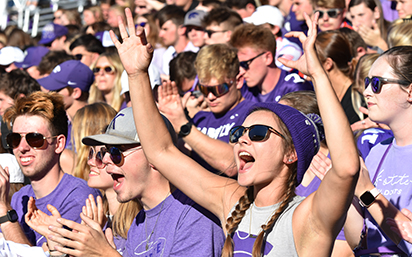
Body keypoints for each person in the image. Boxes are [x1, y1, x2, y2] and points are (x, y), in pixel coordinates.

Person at [112, 8, 359, 256]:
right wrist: (137, 74)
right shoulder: (232, 202)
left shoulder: (307, 216)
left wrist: (317, 75)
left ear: (291, 153)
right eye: (240, 131)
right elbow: (160, 152)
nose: (242, 138)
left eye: (258, 133)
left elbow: (347, 168)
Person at [44, 107, 226, 256]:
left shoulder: (194, 217)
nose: (105, 159)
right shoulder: (140, 221)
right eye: (105, 151)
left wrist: (104, 254)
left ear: (153, 153)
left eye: (116, 151)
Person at [0, 91, 100, 246]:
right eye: (15, 139)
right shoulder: (20, 198)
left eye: (35, 138)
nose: (22, 148)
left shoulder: (80, 198)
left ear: (59, 144)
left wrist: (4, 211)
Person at [342, 45, 412, 256]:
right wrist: (349, 190)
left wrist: (368, 192)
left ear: (410, 91)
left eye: (377, 84)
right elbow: (359, 241)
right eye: (366, 83)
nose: (366, 92)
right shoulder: (377, 151)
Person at [158, 44, 255, 176]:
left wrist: (183, 126)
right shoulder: (198, 119)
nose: (210, 97)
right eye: (204, 89)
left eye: (219, 89)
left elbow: (233, 163)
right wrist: (168, 121)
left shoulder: (252, 114)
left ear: (238, 81)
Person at [229, 23, 313, 103]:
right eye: (237, 65)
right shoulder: (244, 91)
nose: (241, 71)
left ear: (267, 58)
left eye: (245, 64)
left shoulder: (296, 89)